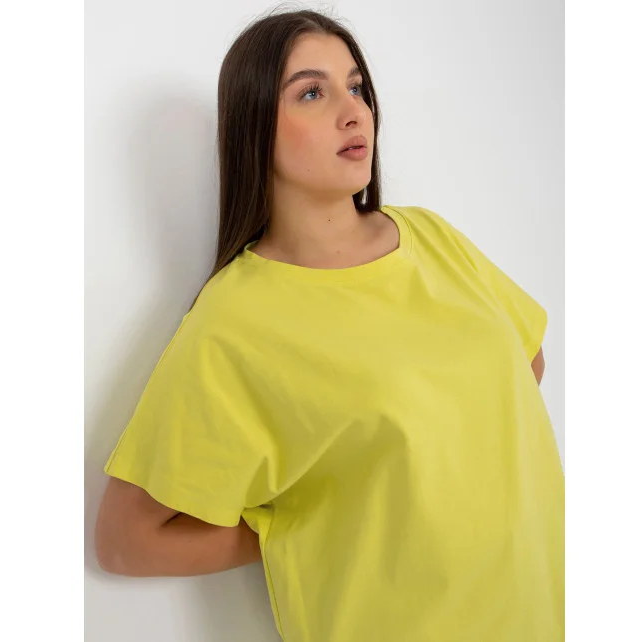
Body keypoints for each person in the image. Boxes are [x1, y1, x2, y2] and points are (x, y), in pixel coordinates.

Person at [94, 7, 564, 642]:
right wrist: (307, 522)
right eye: (312, 93)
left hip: (544, 611)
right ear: (255, 125)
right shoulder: (236, 320)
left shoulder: (431, 237)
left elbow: (528, 360)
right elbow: (126, 540)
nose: (354, 111)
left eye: (357, 86)